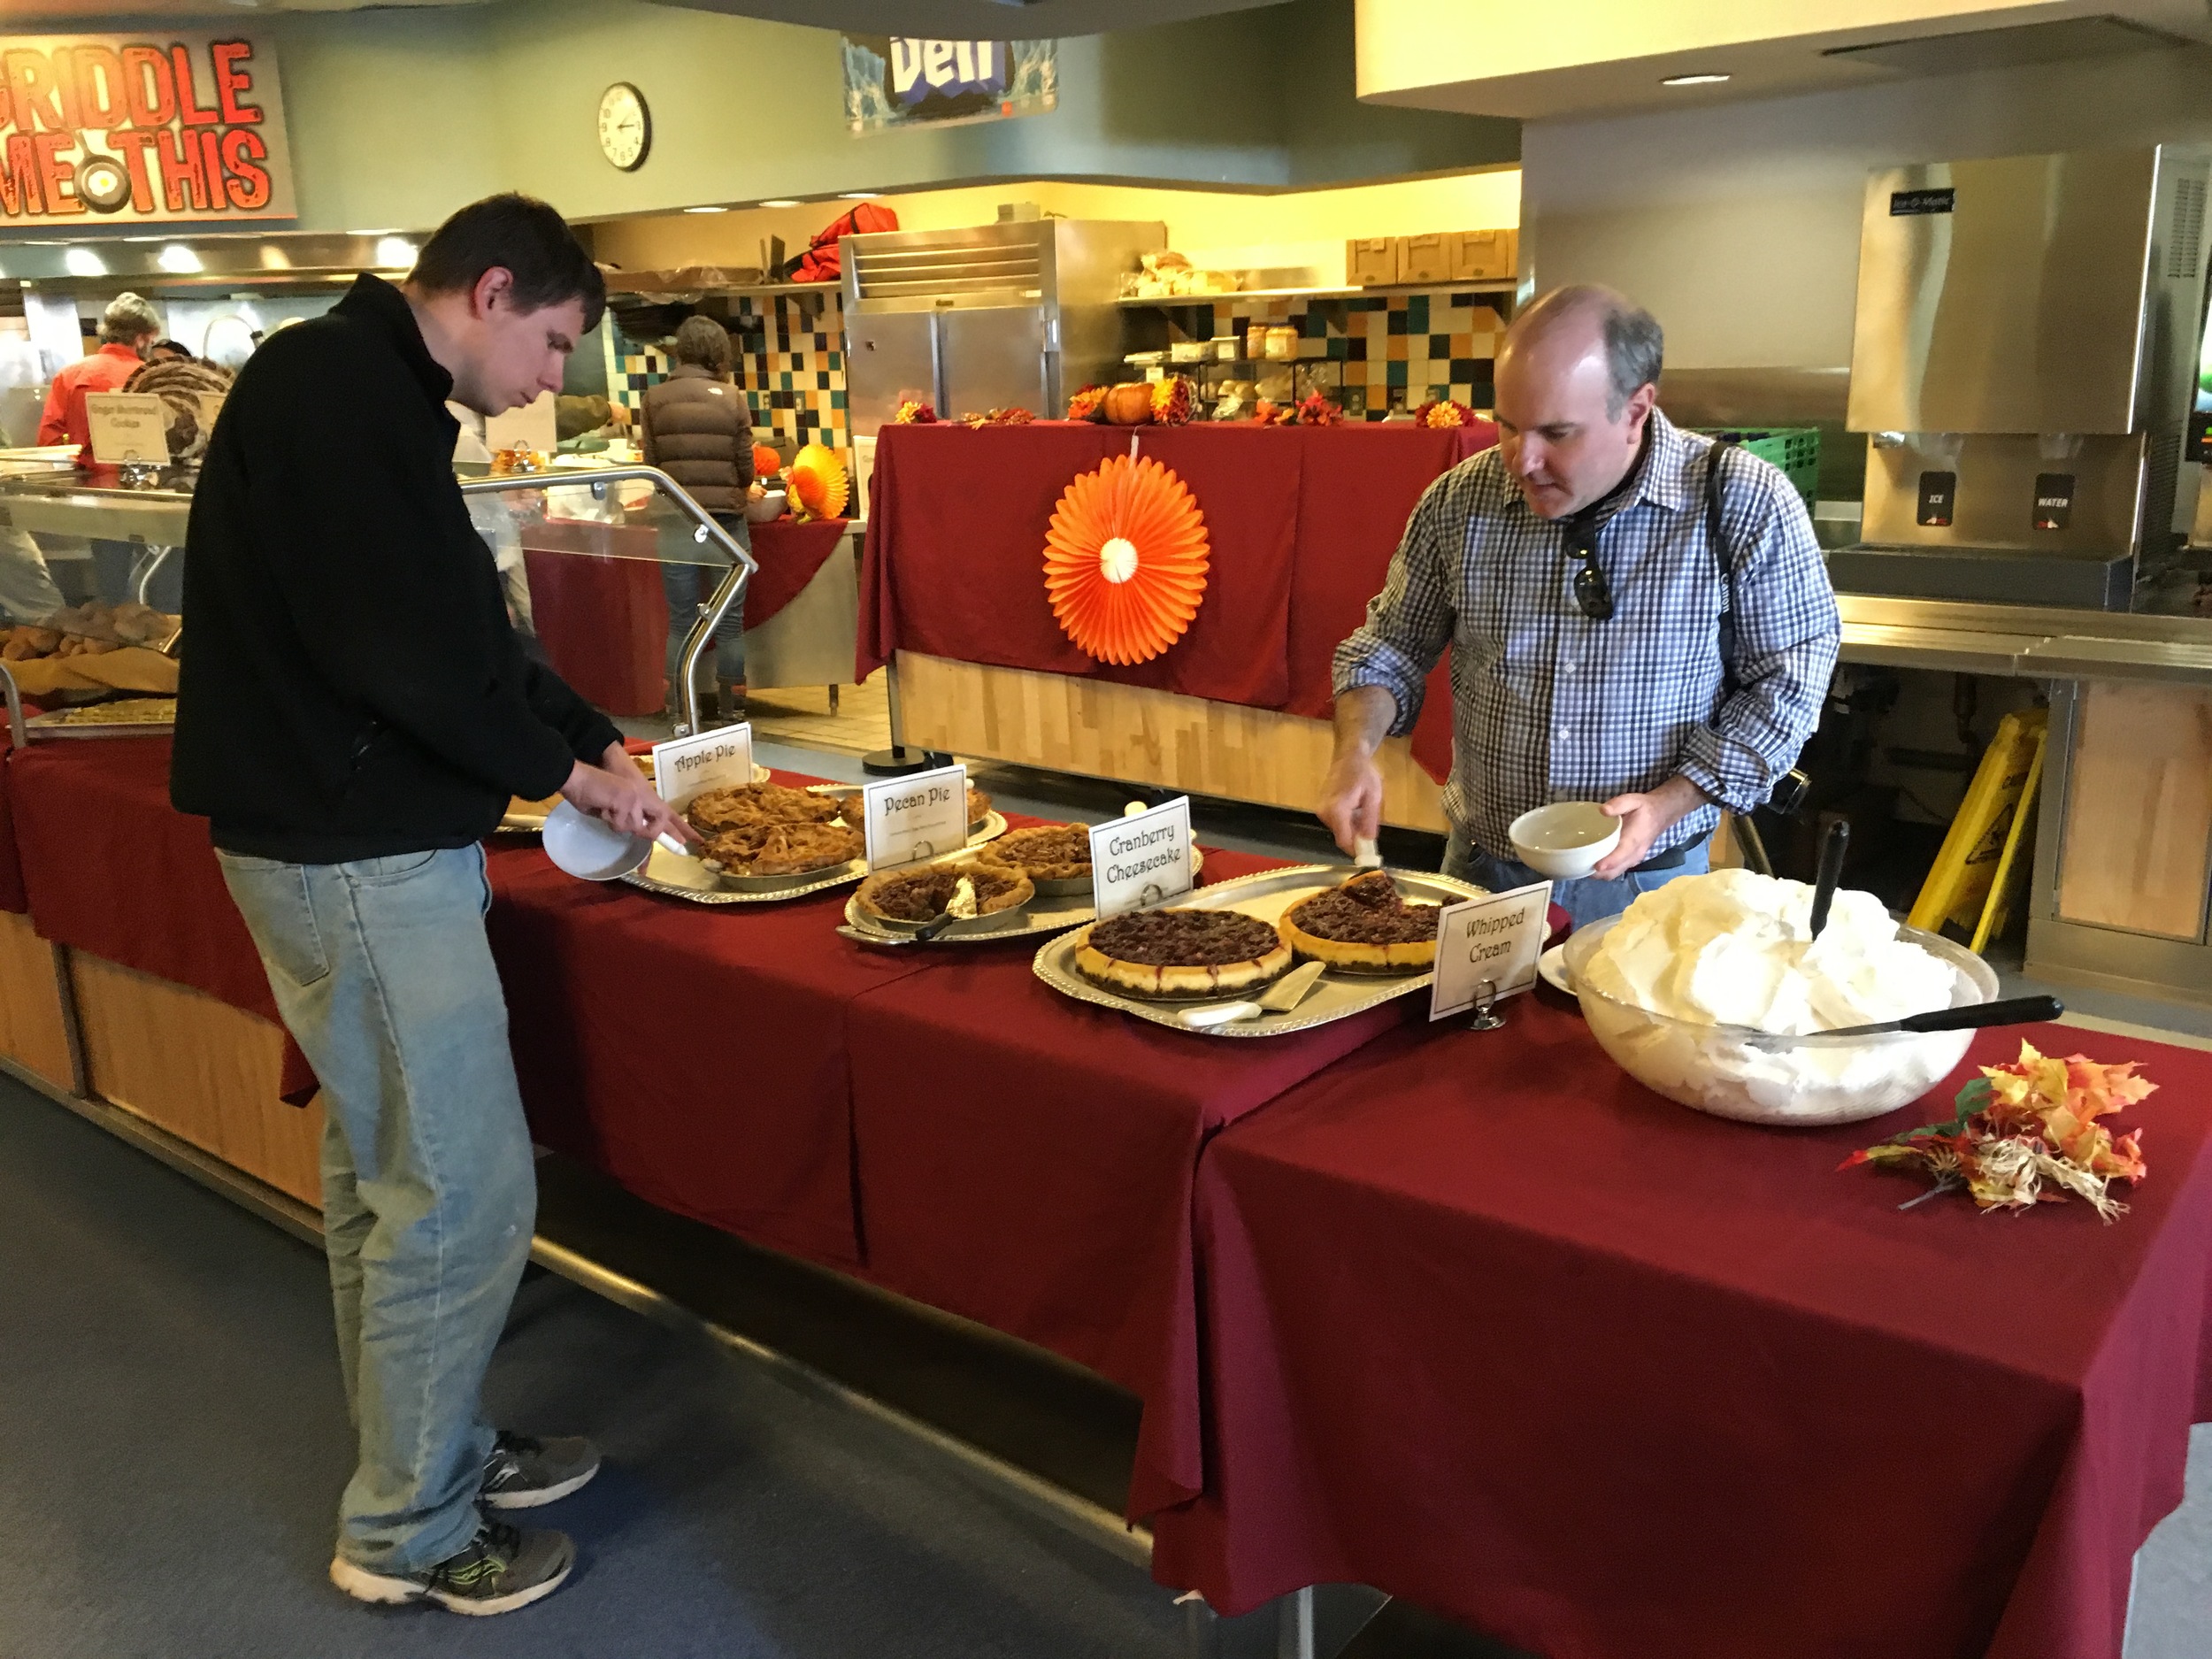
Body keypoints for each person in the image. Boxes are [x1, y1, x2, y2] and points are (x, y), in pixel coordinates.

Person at [171, 193, 694, 1617]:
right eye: (553, 343)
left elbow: (467, 627)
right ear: (493, 288)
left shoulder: (366, 386)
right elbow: (403, 657)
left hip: (342, 841)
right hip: (351, 856)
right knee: (462, 1194)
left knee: (386, 1183)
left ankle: (436, 1444)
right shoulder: (338, 393)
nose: (550, 382)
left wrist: (585, 731)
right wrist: (562, 779)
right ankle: (407, 1526)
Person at [1319, 284, 1840, 927]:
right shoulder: (1460, 501)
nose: (1522, 459)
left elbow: (1787, 687)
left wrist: (1671, 802)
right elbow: (1390, 646)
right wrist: (1353, 750)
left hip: (1649, 881)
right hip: (1483, 872)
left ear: (1636, 409)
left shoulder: (1742, 503)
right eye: (1508, 426)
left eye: (1556, 433)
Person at [640, 313, 752, 721]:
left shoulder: (653, 400)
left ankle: (680, 709)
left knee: (682, 618)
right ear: (718, 353)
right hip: (726, 523)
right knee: (729, 619)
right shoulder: (732, 398)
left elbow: (651, 466)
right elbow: (746, 470)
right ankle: (732, 711)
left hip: (675, 520)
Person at [38, 291, 158, 450]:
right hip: (144, 471)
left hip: (87, 473)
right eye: (151, 339)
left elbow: (49, 441)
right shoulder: (152, 376)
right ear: (140, 339)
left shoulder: (69, 375)